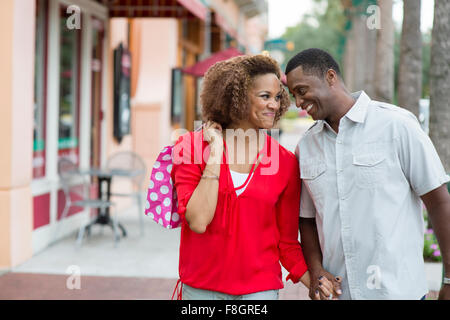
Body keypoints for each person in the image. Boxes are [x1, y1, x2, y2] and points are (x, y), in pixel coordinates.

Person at [285, 48, 450, 300]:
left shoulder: (397, 126)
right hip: (340, 295)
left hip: (397, 292)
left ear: (330, 77)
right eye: (293, 94)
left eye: (302, 90)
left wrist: (448, 278)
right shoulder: (306, 146)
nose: (298, 102)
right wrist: (317, 270)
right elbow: (307, 219)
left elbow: (438, 202)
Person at [170, 54, 334, 300]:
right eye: (265, 96)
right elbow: (198, 221)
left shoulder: (285, 162)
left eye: (277, 97)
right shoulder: (190, 148)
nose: (275, 105)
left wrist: (318, 285)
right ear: (235, 97)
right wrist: (215, 153)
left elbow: (286, 243)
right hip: (201, 290)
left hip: (260, 292)